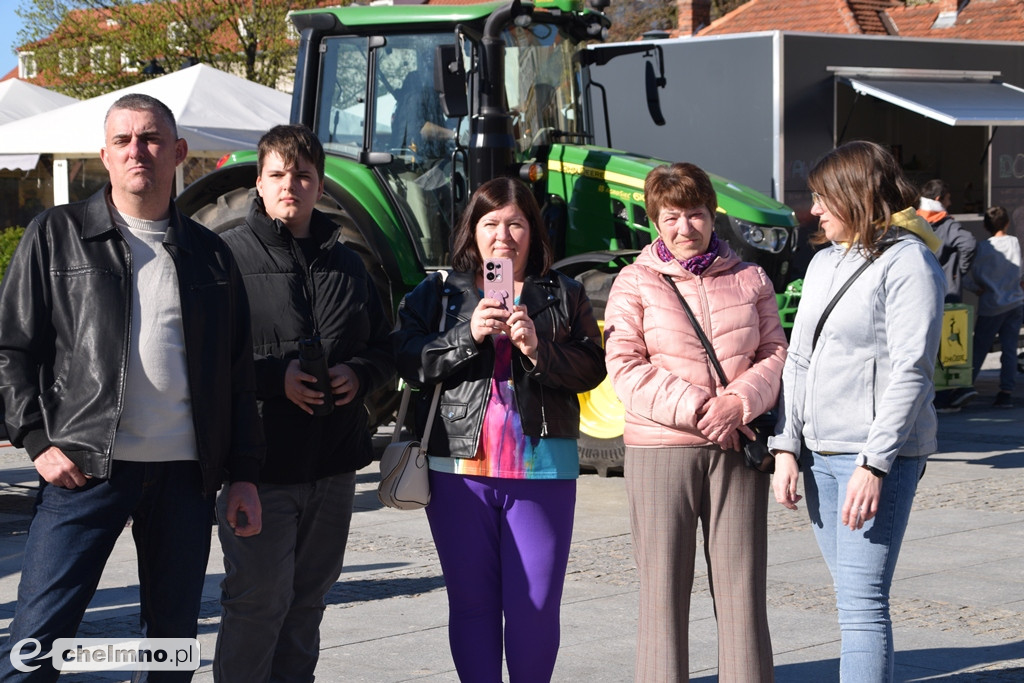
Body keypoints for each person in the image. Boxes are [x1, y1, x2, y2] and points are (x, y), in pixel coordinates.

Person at [0, 93, 264, 683]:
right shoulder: (57, 235)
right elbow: (9, 349)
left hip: (184, 478)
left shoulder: (210, 254)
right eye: (123, 141)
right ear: (104, 154)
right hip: (85, 467)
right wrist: (36, 438)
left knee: (169, 652)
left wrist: (243, 470)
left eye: (149, 139)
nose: (136, 151)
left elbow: (236, 373)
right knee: (32, 647)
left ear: (178, 152)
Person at [393, 177, 606, 682]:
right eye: (491, 223)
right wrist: (465, 336)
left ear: (533, 231)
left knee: (535, 606)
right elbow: (405, 357)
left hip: (543, 468)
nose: (503, 235)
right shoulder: (440, 292)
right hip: (457, 468)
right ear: (474, 229)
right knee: (471, 606)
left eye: (516, 223)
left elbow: (592, 368)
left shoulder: (564, 292)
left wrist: (538, 349)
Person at [213, 125, 395, 682]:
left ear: (320, 185)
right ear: (260, 185)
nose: (290, 184)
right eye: (277, 174)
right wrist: (277, 378)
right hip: (261, 466)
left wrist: (359, 374)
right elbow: (203, 358)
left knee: (308, 602)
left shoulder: (349, 263)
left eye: (303, 175)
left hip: (334, 466)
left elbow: (387, 347)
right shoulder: (225, 257)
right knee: (257, 603)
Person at [603, 162, 787, 682]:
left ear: (713, 215)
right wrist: (703, 408)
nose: (686, 228)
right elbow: (625, 367)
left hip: (738, 444)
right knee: (662, 593)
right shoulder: (634, 282)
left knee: (742, 592)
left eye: (697, 214)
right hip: (662, 449)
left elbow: (776, 352)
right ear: (654, 221)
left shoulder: (750, 277)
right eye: (672, 216)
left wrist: (740, 402)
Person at [770, 141, 945, 683]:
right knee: (850, 598)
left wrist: (875, 464)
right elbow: (797, 358)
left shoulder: (910, 262)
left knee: (863, 604)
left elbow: (911, 371)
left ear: (858, 195)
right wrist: (785, 447)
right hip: (818, 455)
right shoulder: (824, 261)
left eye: (824, 198)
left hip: (870, 460)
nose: (815, 211)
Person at [917, 178, 979, 411]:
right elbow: (969, 243)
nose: (951, 203)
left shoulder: (916, 222)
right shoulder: (947, 225)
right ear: (938, 199)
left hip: (923, 293)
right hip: (948, 294)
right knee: (951, 346)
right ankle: (954, 391)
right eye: (949, 198)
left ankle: (948, 392)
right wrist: (959, 271)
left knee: (932, 345)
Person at [964, 206, 1024, 408]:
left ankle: (966, 386)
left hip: (990, 304)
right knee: (1009, 349)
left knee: (979, 348)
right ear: (1007, 223)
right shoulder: (1014, 243)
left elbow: (964, 274)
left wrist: (975, 288)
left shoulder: (982, 248)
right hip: (1015, 302)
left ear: (985, 226)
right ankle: (1005, 392)